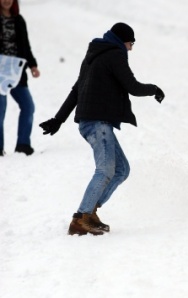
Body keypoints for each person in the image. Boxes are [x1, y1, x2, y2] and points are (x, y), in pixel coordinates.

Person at [39, 23, 165, 236]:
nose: (131, 49)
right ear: (121, 40)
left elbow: (75, 90)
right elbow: (132, 86)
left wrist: (58, 120)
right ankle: (80, 218)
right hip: (97, 123)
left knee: (121, 170)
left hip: (92, 122)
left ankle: (90, 213)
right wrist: (155, 89)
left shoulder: (95, 54)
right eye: (130, 43)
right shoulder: (114, 55)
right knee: (106, 170)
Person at [0, 0, 40, 156]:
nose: (7, 0)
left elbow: (25, 45)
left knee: (28, 106)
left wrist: (33, 65)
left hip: (16, 72)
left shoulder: (18, 20)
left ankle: (23, 145)